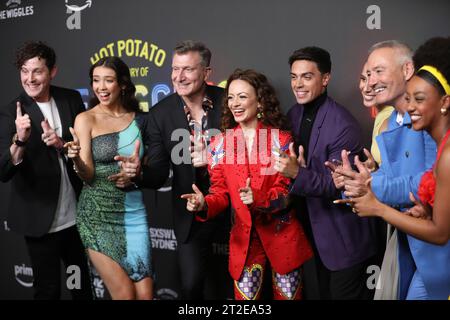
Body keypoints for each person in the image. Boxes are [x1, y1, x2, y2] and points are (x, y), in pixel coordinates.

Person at [181, 69, 313, 300]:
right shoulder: (220, 144)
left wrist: (258, 197)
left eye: (242, 96)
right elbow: (220, 194)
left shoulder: (279, 140)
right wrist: (203, 204)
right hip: (244, 245)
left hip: (283, 240)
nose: (235, 103)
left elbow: (286, 194)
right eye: (231, 97)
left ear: (260, 100)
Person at [335, 37, 450, 300]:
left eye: (378, 71)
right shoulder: (391, 124)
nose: (370, 81)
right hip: (414, 250)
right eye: (367, 74)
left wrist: (370, 186)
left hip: (438, 255)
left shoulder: (428, 117)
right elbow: (393, 179)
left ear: (407, 70)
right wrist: (353, 185)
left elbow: (426, 181)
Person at [275, 46, 378, 300]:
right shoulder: (294, 113)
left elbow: (338, 187)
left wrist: (297, 173)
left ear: (325, 79)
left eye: (307, 76)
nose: (297, 84)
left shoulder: (343, 125)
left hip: (344, 243)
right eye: (293, 76)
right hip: (313, 240)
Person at [131, 40, 227, 299]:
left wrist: (214, 159)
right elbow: (160, 172)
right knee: (193, 283)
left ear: (206, 73)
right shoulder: (160, 114)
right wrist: (138, 173)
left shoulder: (230, 103)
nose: (179, 77)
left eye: (188, 69)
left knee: (237, 286)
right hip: (189, 214)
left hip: (233, 209)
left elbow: (249, 154)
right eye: (175, 69)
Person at [0, 41, 92, 300]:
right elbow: (4, 171)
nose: (30, 79)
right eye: (24, 71)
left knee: (80, 286)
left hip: (75, 218)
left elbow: (86, 150)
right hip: (40, 222)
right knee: (48, 290)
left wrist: (62, 144)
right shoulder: (11, 113)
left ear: (52, 72)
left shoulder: (71, 99)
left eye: (37, 71)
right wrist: (20, 139)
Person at [65, 56, 153, 300]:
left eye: (108, 80)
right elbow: (88, 175)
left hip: (134, 213)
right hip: (97, 215)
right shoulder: (86, 119)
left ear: (122, 84)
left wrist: (136, 173)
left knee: (145, 295)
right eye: (96, 80)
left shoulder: (140, 120)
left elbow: (147, 168)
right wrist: (75, 159)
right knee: (125, 294)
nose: (101, 87)